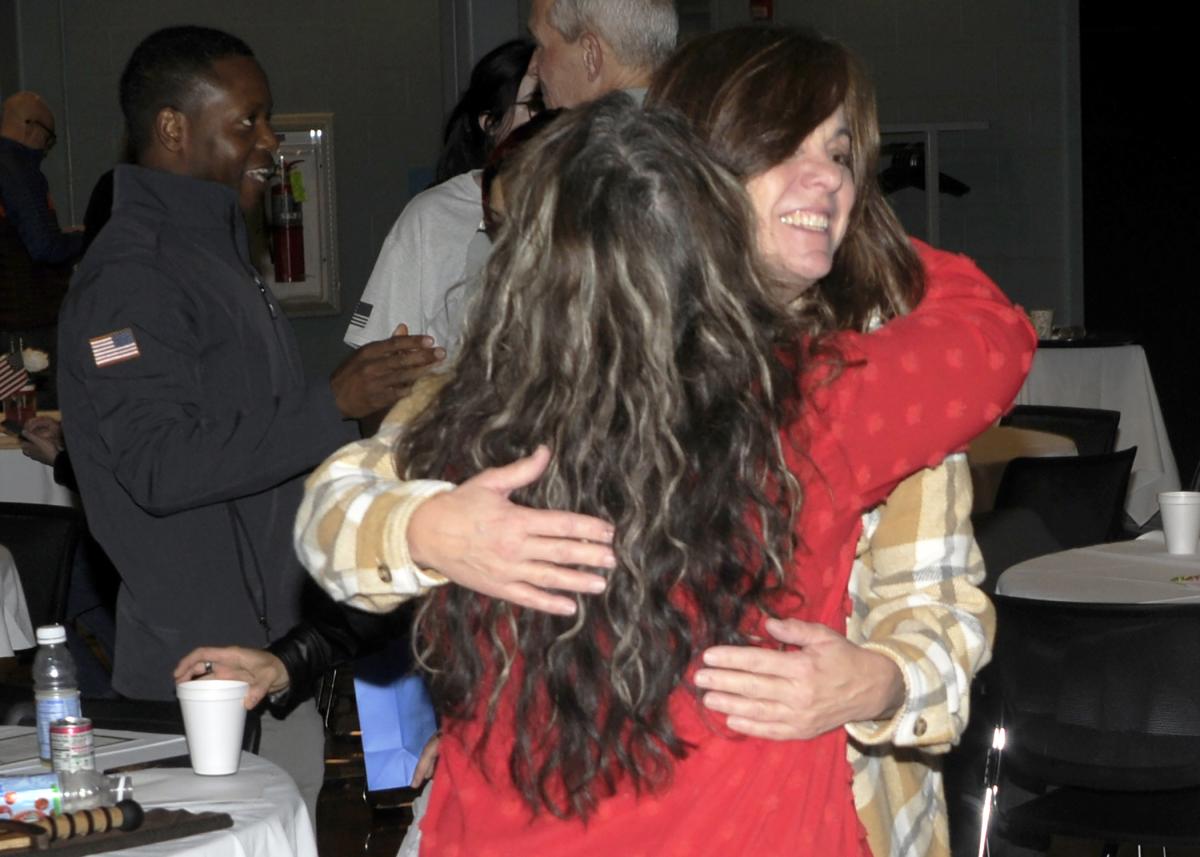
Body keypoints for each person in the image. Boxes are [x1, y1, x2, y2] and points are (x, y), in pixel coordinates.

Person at [295, 94, 1035, 853]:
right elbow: (994, 333)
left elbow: (327, 517)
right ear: (719, 264)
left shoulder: (473, 425)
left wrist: (425, 527)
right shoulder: (820, 409)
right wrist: (847, 225)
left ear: (526, 273)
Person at [55, 24, 440, 816]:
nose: (270, 141)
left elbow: (257, 441)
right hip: (197, 671)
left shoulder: (217, 254)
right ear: (173, 128)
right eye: (248, 121)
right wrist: (332, 401)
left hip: (265, 658)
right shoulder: (132, 272)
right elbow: (159, 465)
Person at [646, 27, 994, 857]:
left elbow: (943, 616)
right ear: (697, 167)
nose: (829, 177)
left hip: (839, 816)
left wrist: (875, 681)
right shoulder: (595, 344)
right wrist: (438, 532)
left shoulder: (888, 367)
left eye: (839, 153)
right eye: (784, 147)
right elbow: (360, 501)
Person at [345, 40, 539, 358]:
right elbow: (384, 355)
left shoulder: (583, 206)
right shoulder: (432, 215)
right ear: (490, 122)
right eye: (535, 103)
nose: (550, 117)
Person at [526, 0, 678, 108]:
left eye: (540, 45)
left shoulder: (604, 141)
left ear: (590, 56)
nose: (533, 67)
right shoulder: (684, 130)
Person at [0, 91, 83, 265]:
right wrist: (91, 236)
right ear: (32, 127)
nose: (45, 151)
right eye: (48, 139)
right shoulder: (19, 170)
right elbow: (46, 248)